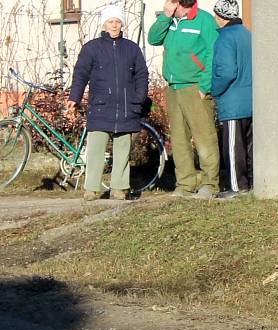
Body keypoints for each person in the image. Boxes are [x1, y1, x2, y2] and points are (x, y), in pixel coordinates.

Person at [66, 4, 148, 201]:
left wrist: (139, 98)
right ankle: (92, 188)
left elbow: (142, 74)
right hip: (101, 105)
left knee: (122, 151)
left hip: (127, 107)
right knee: (95, 149)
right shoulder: (91, 48)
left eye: (118, 22)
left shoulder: (132, 48)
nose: (114, 25)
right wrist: (74, 97)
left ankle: (119, 188)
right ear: (104, 24)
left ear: (122, 24)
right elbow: (80, 75)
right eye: (111, 21)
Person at [148, 0, 220, 199]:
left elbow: (212, 54)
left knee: (204, 137)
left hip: (195, 87)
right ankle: (185, 184)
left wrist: (205, 86)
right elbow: (153, 39)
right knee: (179, 140)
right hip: (173, 87)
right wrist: (165, 17)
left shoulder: (204, 21)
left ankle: (209, 184)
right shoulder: (169, 20)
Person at [211, 0, 253, 199]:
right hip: (251, 100)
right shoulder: (247, 34)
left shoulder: (225, 38)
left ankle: (236, 187)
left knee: (233, 148)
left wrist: (214, 90)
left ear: (220, 17)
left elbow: (226, 72)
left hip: (233, 102)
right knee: (250, 147)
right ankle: (250, 183)